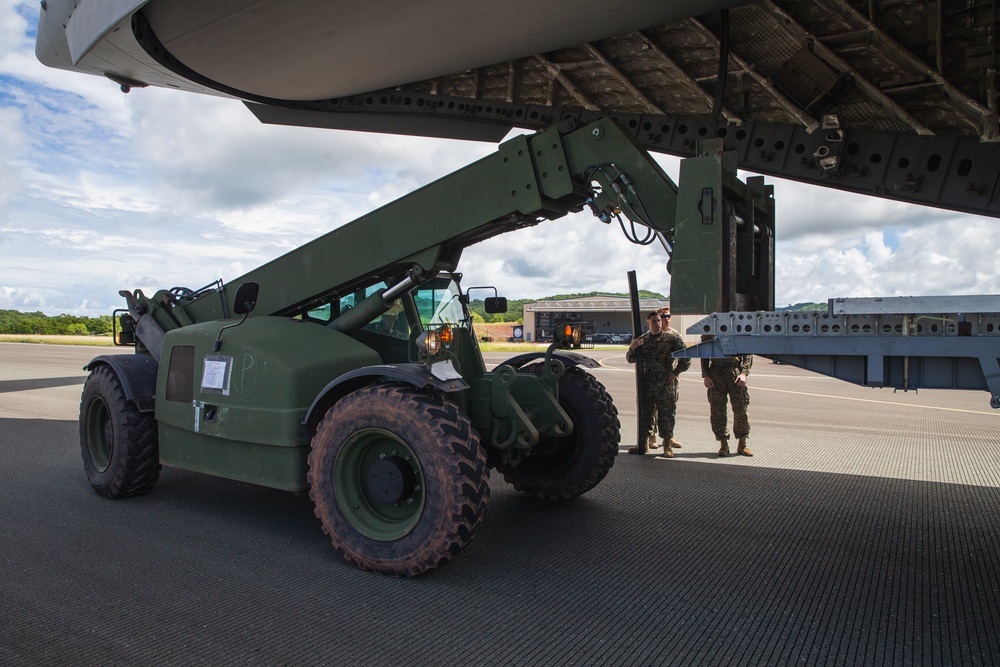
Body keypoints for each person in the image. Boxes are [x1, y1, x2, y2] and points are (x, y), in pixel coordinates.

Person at [626, 310, 690, 458]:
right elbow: (630, 359)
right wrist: (633, 346)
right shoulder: (642, 340)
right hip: (647, 385)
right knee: (646, 415)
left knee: (667, 414)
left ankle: (667, 445)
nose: (657, 323)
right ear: (648, 323)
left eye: (659, 320)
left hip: (665, 385)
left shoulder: (671, 339)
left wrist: (675, 372)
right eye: (654, 321)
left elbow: (686, 356)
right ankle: (644, 444)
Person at [701, 337, 753, 456]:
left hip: (735, 371)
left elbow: (748, 353)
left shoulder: (738, 329)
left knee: (741, 409)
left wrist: (744, 373)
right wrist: (706, 375)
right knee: (717, 410)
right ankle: (723, 444)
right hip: (716, 372)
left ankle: (742, 443)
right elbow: (704, 354)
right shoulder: (710, 330)